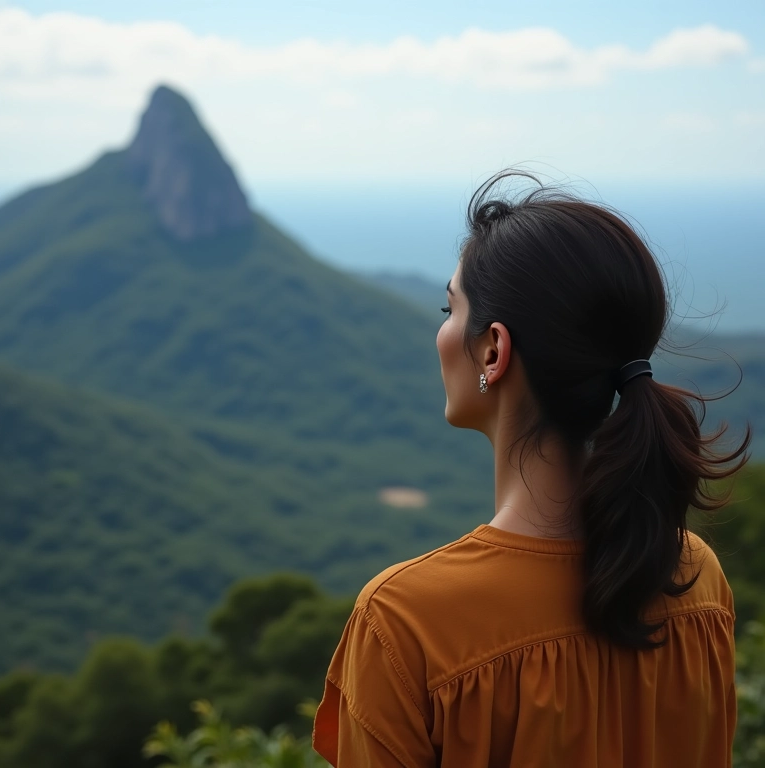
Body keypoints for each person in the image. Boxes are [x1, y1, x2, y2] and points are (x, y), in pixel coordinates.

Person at [312, 171, 751, 767]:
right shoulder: (695, 578)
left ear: (493, 350)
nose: (440, 330)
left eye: (450, 307)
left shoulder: (407, 623)